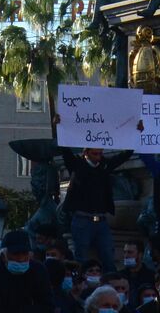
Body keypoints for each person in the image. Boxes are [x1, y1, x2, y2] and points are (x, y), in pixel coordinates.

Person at [54, 114, 135, 267]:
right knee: (81, 258)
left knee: (109, 258)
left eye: (100, 153)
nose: (98, 157)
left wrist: (135, 134)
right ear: (86, 153)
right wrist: (59, 127)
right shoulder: (77, 165)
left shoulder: (104, 166)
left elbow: (124, 156)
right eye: (95, 153)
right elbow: (64, 150)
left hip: (101, 221)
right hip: (82, 221)